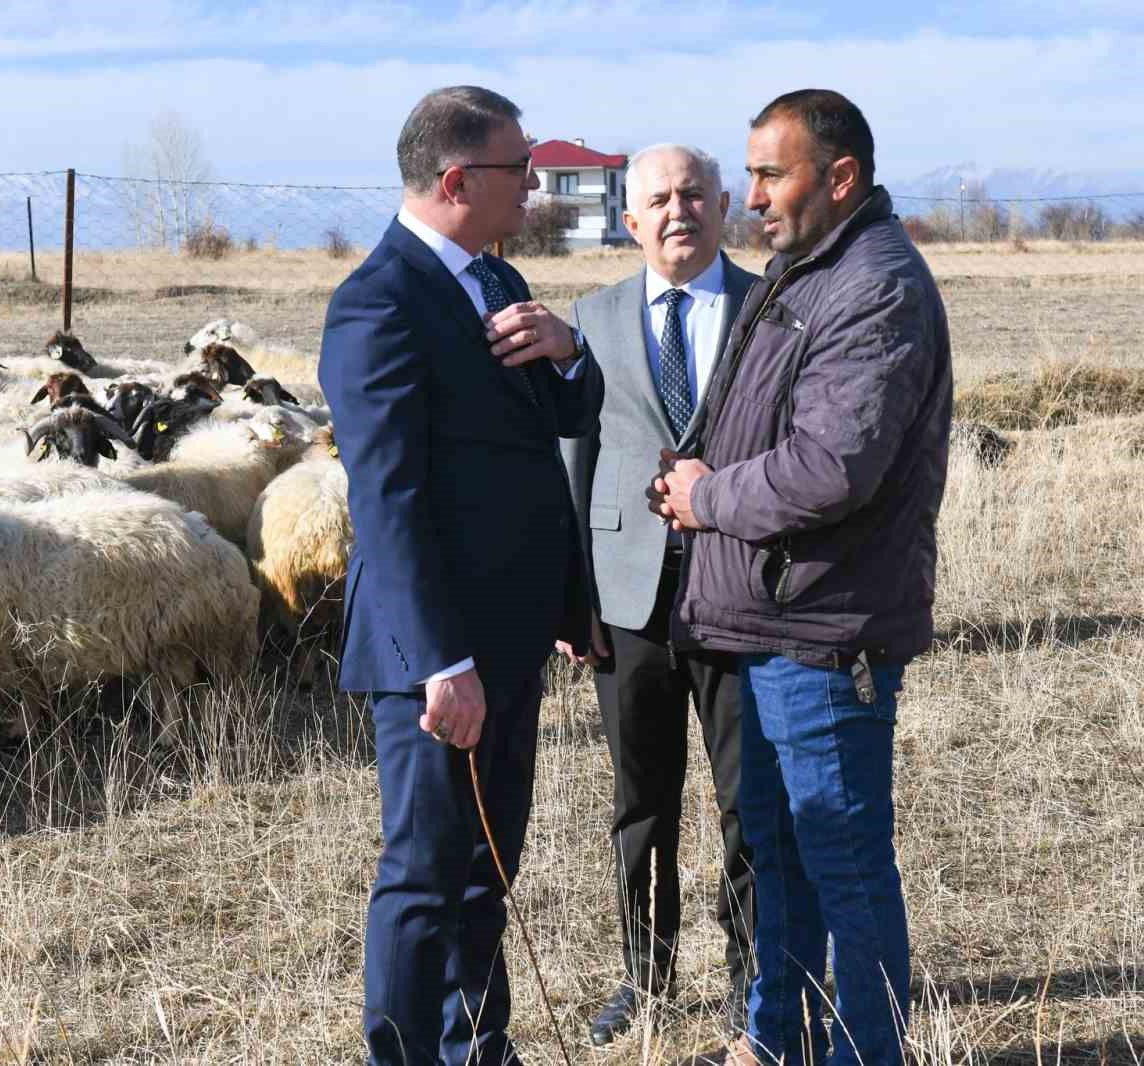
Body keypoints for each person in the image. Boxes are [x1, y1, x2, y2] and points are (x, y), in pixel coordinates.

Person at [651, 90, 952, 1066]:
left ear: (839, 178)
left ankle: (866, 1053)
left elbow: (831, 467)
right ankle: (775, 1039)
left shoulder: (874, 285)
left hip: (827, 636)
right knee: (778, 862)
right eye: (747, 174)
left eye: (769, 174)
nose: (750, 197)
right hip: (770, 623)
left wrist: (707, 500)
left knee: (844, 870)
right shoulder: (804, 271)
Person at [318, 85, 605, 1066]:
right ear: (454, 180)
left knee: (489, 862)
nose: (532, 184)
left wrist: (570, 351)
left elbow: (552, 429)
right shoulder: (378, 301)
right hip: (434, 654)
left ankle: (477, 1045)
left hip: (513, 637)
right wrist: (441, 660)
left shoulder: (494, 280)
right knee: (424, 869)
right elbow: (387, 499)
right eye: (516, 169)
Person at [557, 143, 759, 1044]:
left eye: (693, 194)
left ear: (723, 207)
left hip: (743, 594)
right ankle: (645, 975)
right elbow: (574, 458)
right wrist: (573, 595)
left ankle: (751, 982)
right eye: (657, 200)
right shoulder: (591, 318)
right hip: (625, 599)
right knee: (641, 802)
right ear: (629, 220)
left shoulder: (770, 309)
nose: (677, 211)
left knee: (750, 802)